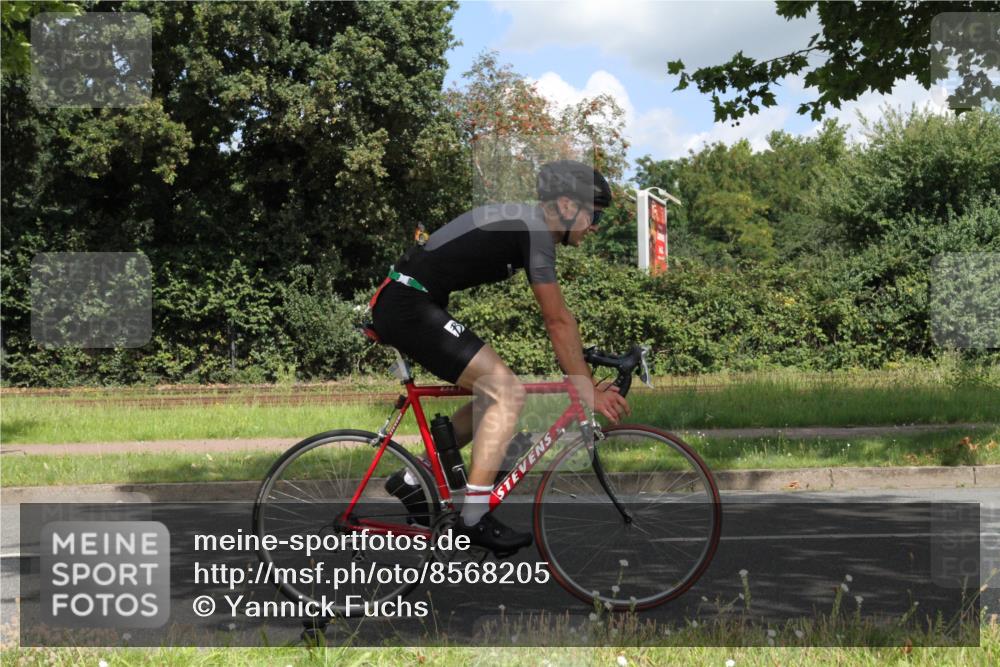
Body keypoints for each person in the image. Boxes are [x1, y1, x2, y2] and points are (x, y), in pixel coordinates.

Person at [370, 160, 631, 554]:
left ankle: (413, 481)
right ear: (565, 204)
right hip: (408, 304)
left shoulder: (528, 225)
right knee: (506, 392)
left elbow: (564, 318)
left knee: (496, 393)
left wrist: (586, 375)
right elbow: (556, 321)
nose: (595, 225)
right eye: (593, 214)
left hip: (411, 301)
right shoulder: (535, 231)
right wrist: (587, 388)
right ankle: (473, 518)